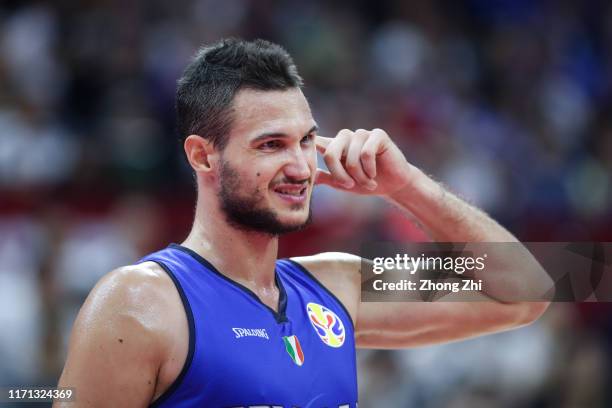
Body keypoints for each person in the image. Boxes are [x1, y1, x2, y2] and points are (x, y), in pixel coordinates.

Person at [56, 38, 550, 408]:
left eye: (307, 141)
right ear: (203, 157)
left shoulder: (338, 284)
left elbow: (530, 291)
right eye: (271, 145)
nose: (300, 166)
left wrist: (407, 188)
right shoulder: (139, 303)